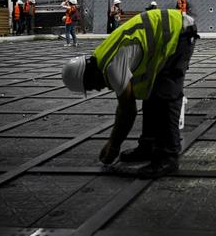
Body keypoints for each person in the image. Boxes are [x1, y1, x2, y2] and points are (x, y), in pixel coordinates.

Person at [61, 9, 198, 178]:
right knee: (151, 94)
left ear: (88, 76)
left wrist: (113, 144)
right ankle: (148, 146)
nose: (96, 89)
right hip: (170, 32)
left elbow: (127, 110)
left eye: (90, 86)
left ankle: (168, 157)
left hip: (179, 33)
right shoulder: (101, 56)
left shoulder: (111, 66)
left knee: (166, 96)